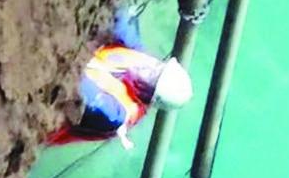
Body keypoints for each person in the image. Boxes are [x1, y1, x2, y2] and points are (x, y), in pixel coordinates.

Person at [47, 12, 192, 148]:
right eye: (158, 66)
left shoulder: (115, 115)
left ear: (148, 95)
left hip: (49, 105)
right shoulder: (139, 59)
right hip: (73, 66)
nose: (148, 66)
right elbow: (120, 19)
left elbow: (78, 87)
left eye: (153, 76)